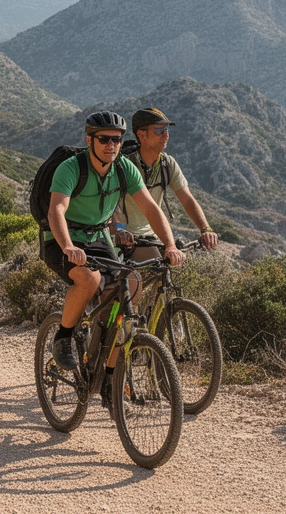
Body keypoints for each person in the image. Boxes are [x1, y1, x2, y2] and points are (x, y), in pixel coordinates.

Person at [45, 111, 187, 403]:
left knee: (130, 286)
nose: (112, 145)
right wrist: (69, 246)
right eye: (104, 139)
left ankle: (109, 375)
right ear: (89, 140)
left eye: (118, 140)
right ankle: (63, 336)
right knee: (88, 279)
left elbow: (151, 209)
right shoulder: (72, 168)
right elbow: (56, 210)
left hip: (98, 236)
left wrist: (170, 245)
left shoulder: (123, 168)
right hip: (62, 237)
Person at [114, 108, 218, 257]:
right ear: (141, 135)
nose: (166, 135)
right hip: (125, 236)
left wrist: (205, 229)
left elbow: (187, 199)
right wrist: (118, 230)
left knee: (177, 266)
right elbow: (108, 204)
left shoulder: (167, 164)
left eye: (167, 130)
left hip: (153, 235)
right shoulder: (125, 165)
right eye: (159, 131)